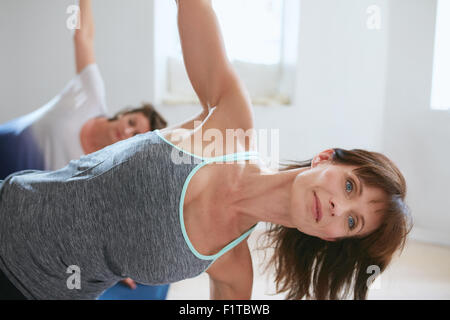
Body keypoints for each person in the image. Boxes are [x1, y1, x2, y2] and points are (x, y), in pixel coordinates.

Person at [0, 0, 412, 300]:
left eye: (353, 222)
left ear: (331, 236)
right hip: (11, 207)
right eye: (351, 187)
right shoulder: (231, 123)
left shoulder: (232, 270)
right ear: (326, 158)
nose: (340, 208)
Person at [0, 0, 168, 299]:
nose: (127, 131)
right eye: (132, 121)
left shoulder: (99, 167)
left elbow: (103, 220)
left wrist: (123, 266)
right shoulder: (91, 95)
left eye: (136, 134)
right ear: (123, 113)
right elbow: (83, 35)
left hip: (12, 195)